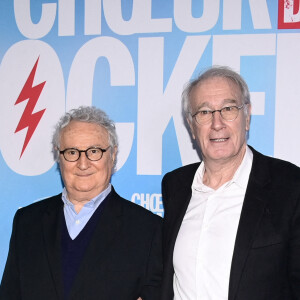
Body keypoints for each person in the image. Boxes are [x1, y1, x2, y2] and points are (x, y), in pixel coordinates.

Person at [160, 66, 300, 300]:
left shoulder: (290, 186)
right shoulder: (175, 185)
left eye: (228, 109)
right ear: (191, 126)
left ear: (247, 116)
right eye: (204, 112)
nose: (217, 123)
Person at [0, 106, 162, 300]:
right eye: (72, 152)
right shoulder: (27, 222)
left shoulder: (148, 229)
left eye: (94, 151)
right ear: (58, 156)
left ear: (112, 154)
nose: (83, 163)